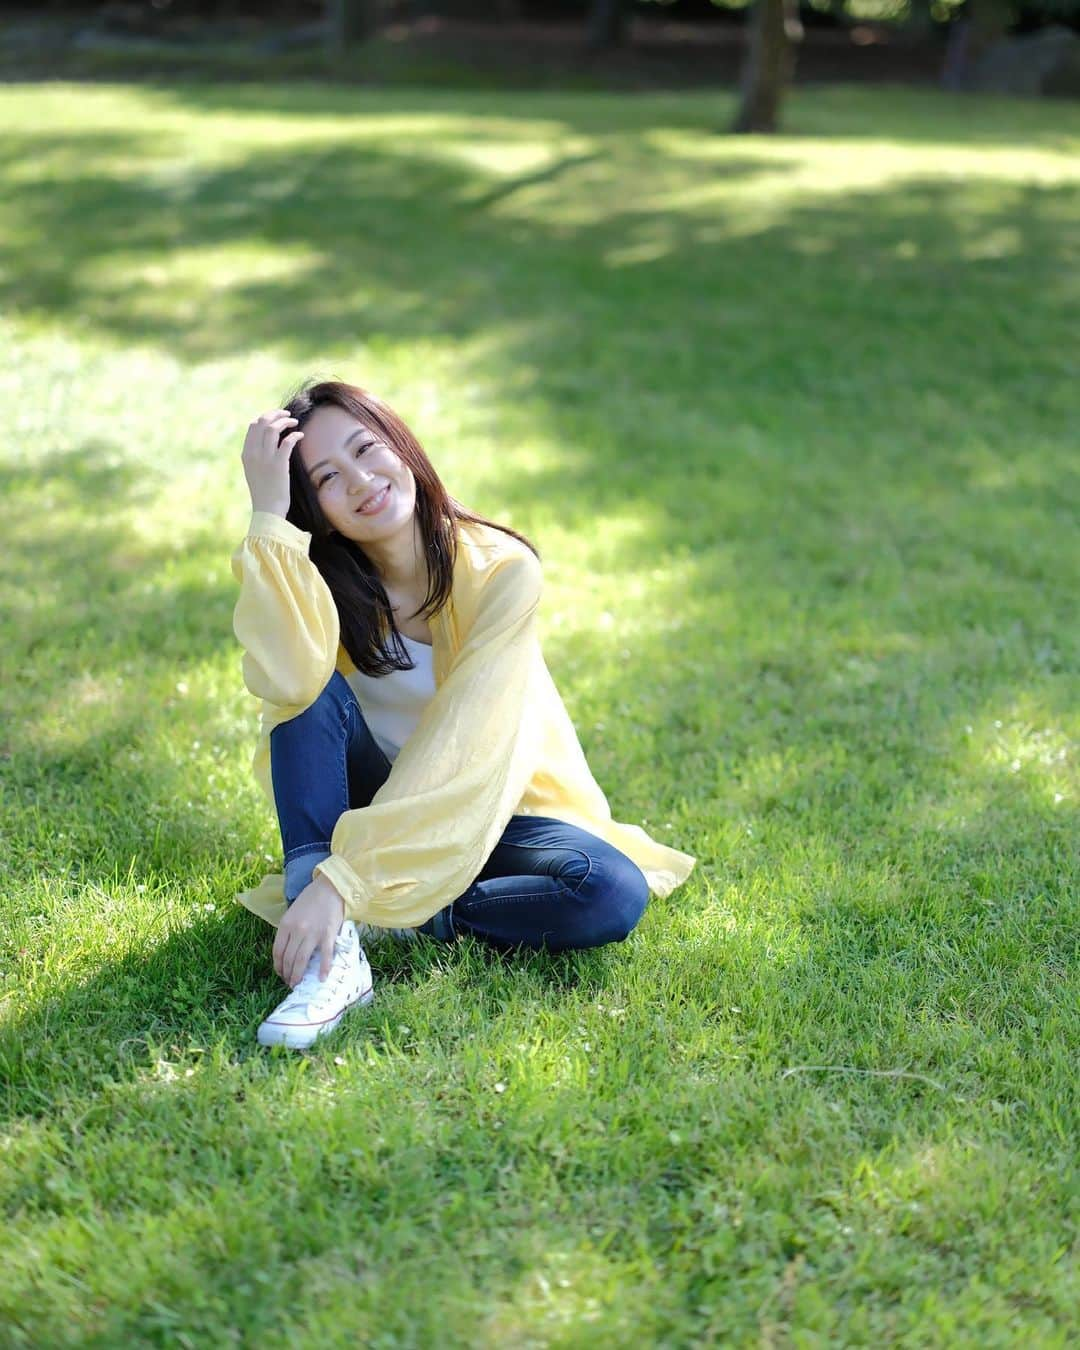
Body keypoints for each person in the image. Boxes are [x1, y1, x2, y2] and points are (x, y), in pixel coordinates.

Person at [231, 380, 696, 1049]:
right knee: (309, 690)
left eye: (368, 449)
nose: (362, 480)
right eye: (329, 478)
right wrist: (270, 517)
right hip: (370, 802)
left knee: (611, 891)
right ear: (320, 513)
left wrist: (350, 879)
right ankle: (330, 960)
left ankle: (378, 914)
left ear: (402, 445)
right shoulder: (321, 580)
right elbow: (284, 684)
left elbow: (466, 749)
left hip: (488, 805)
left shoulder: (502, 571)